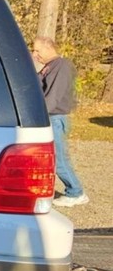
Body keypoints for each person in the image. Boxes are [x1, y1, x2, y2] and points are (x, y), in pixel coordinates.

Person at [32, 36, 88, 207]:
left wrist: (38, 115)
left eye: (37, 50)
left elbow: (53, 97)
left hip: (54, 118)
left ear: (49, 47)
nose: (35, 54)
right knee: (47, 157)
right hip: (49, 117)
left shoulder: (61, 66)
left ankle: (76, 192)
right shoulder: (49, 67)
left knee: (58, 158)